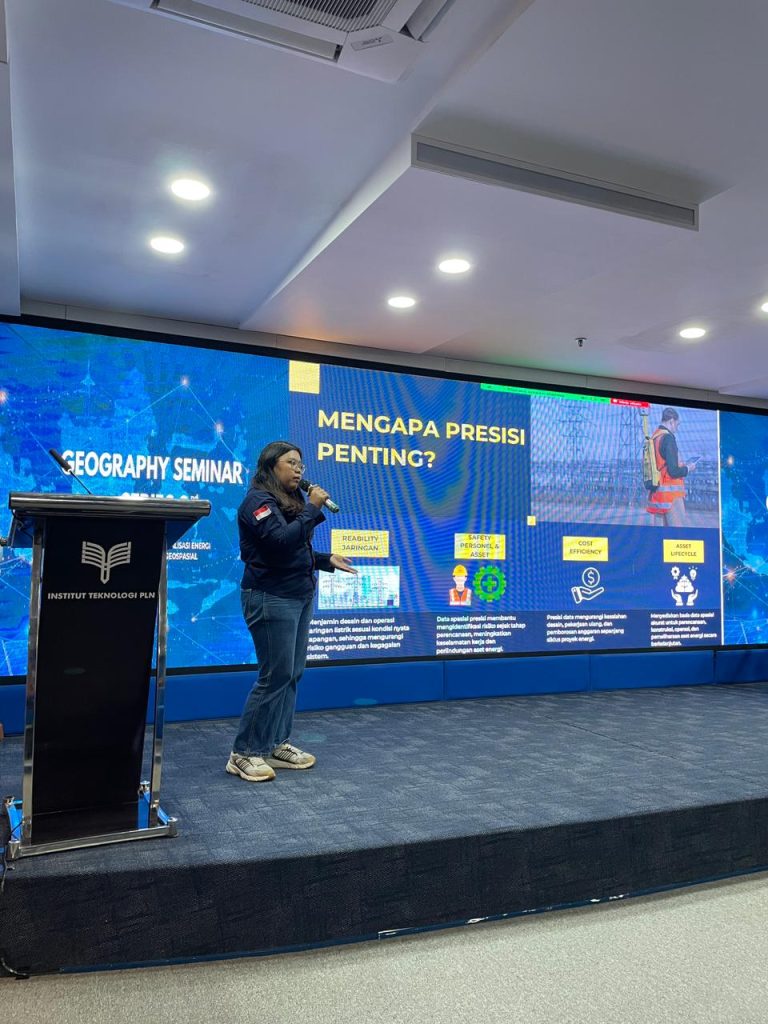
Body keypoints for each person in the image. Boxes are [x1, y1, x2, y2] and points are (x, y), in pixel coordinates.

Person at [227, 441, 356, 782]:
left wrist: (324, 559)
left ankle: (274, 744)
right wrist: (313, 508)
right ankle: (244, 752)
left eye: (301, 464)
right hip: (270, 597)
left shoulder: (290, 500)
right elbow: (279, 543)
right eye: (292, 462)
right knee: (274, 675)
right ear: (271, 466)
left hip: (299, 596)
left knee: (291, 673)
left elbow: (294, 549)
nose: (299, 469)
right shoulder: (257, 502)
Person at [646, 407, 697, 527]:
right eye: (677, 425)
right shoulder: (668, 438)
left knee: (660, 534)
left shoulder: (655, 437)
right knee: (677, 535)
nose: (676, 429)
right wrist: (688, 468)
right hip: (671, 498)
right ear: (671, 421)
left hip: (657, 495)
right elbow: (673, 471)